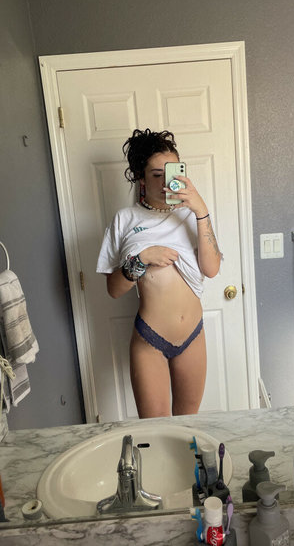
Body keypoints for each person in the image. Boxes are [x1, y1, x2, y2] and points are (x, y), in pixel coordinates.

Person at [96, 128, 221, 418]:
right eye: (156, 175)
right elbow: (113, 289)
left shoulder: (192, 215)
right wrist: (141, 259)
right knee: (155, 432)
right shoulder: (125, 219)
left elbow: (212, 269)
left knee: (188, 427)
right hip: (150, 340)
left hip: (193, 335)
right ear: (140, 177)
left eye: (173, 172)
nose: (166, 182)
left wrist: (201, 210)